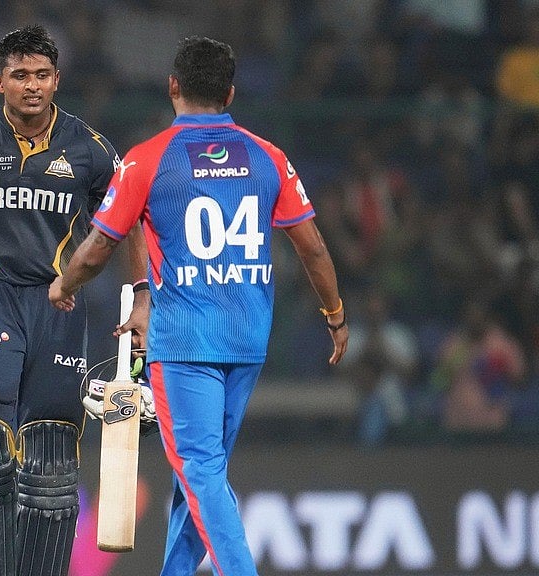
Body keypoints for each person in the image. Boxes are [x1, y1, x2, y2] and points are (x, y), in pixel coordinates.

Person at [48, 37, 349, 576]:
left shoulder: (147, 159)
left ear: (173, 87)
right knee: (201, 477)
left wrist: (64, 285)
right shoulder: (268, 157)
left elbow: (98, 249)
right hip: (248, 336)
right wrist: (335, 314)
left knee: (201, 473)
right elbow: (313, 247)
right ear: (230, 93)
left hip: (185, 338)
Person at [0, 24, 148, 576]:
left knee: (51, 471)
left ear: (57, 79)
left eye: (42, 75)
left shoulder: (88, 149)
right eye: (19, 76)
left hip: (58, 309)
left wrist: (141, 298)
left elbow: (128, 219)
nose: (32, 86)